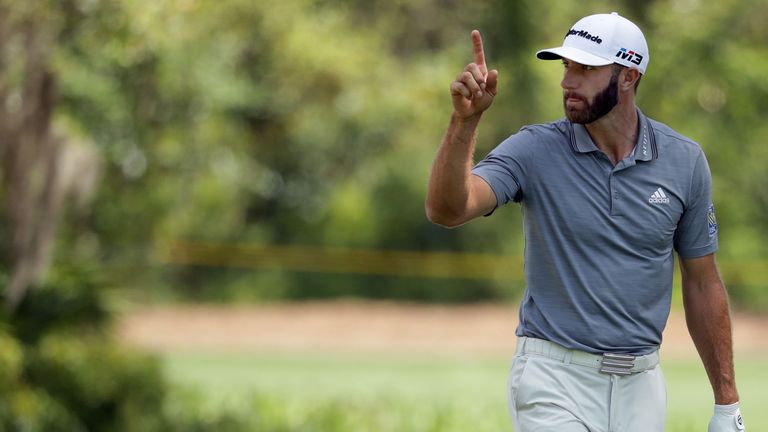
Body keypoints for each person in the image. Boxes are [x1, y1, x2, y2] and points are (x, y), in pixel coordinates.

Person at [425, 12, 745, 432]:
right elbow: (448, 209)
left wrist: (727, 404)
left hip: (641, 384)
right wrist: (464, 122)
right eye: (567, 66)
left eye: (586, 69)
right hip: (553, 377)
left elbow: (703, 283)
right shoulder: (533, 149)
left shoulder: (684, 161)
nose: (567, 82)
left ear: (628, 77)